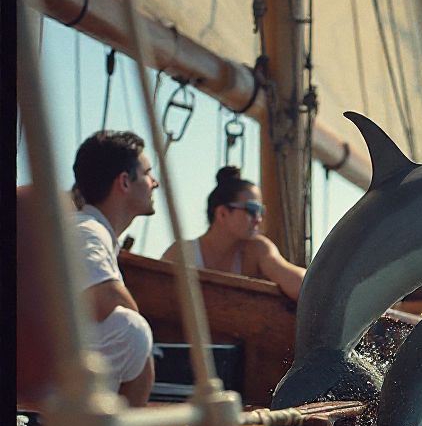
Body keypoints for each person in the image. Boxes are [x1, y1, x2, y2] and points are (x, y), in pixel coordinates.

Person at [71, 130, 158, 406]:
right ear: (124, 182)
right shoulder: (88, 231)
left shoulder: (91, 231)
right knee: (131, 328)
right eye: (147, 173)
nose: (154, 183)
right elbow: (102, 299)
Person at [161, 166, 305, 300]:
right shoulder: (181, 254)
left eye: (261, 211)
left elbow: (300, 285)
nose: (259, 219)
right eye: (252, 209)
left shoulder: (257, 250)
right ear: (222, 213)